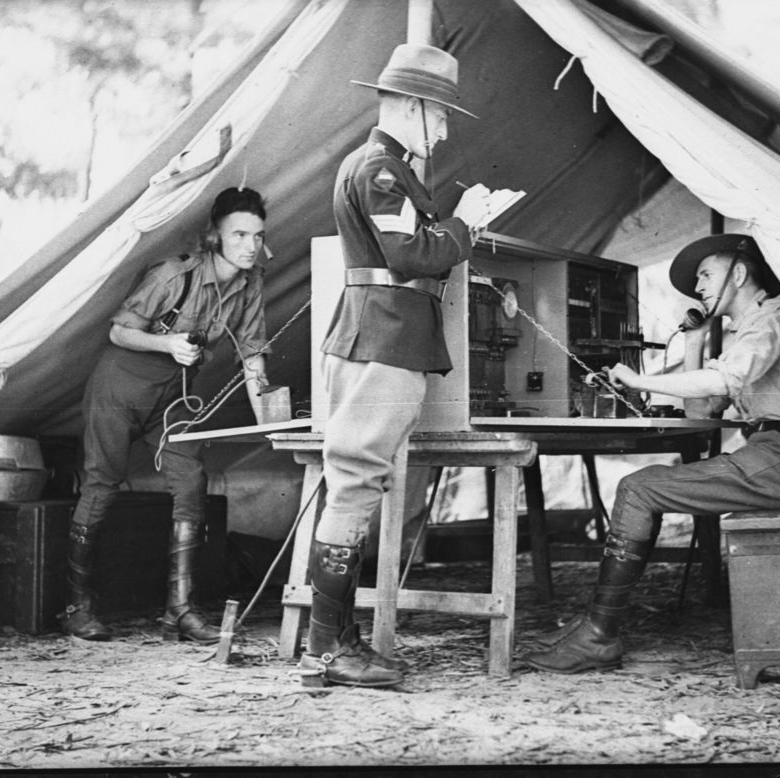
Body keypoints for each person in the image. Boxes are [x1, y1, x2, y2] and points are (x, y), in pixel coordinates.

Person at [524, 233, 780, 674]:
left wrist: (640, 382)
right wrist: (695, 342)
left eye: (706, 275)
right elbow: (701, 410)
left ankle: (599, 635)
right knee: (642, 486)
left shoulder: (778, 317)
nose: (699, 288)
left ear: (738, 273)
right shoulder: (748, 333)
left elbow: (721, 382)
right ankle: (594, 629)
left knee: (638, 489)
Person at [297, 43, 492, 688]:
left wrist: (456, 212)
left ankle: (335, 644)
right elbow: (408, 253)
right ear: (412, 105)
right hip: (382, 342)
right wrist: (465, 226)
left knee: (356, 485)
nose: (443, 129)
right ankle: (328, 652)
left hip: (384, 340)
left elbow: (408, 240)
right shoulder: (381, 168)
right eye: (439, 116)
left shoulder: (387, 166)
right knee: (354, 485)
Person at [60, 186, 274, 644]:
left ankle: (179, 610)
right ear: (215, 236)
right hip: (119, 386)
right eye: (239, 234)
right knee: (102, 482)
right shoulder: (173, 275)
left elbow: (253, 357)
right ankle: (77, 607)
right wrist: (167, 343)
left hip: (173, 398)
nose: (250, 246)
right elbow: (119, 332)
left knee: (190, 477)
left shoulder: (250, 283)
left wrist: (271, 422)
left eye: (257, 236)